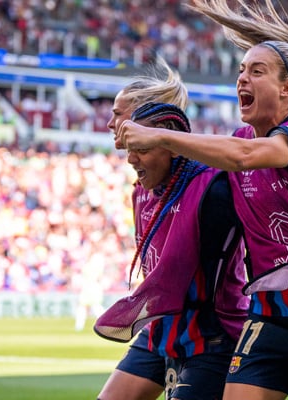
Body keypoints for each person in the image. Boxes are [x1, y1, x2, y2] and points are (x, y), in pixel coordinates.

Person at [115, 1, 288, 399]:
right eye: (241, 71)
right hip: (270, 314)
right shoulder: (236, 144)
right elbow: (201, 172)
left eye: (256, 72)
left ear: (287, 88)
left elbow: (243, 159)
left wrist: (160, 136)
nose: (243, 78)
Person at [95, 100, 249, 400]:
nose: (131, 159)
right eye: (130, 150)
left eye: (142, 149)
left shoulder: (214, 188)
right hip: (160, 331)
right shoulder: (140, 193)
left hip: (211, 336)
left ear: (175, 147)